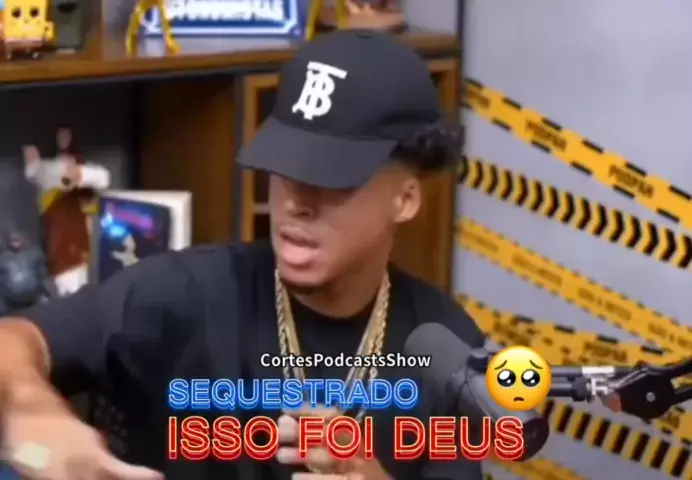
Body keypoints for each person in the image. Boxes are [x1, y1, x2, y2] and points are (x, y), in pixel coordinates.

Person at [0, 31, 485, 480]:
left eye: (332, 177)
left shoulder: (448, 347)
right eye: (286, 167)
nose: (296, 203)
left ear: (405, 199)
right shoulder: (184, 294)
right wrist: (31, 409)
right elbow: (15, 339)